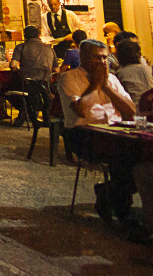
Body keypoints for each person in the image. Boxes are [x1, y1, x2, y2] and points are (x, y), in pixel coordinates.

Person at [57, 39, 142, 229]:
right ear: (83, 57)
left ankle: (108, 194)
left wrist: (107, 87)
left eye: (105, 57)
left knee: (143, 159)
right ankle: (123, 212)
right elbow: (80, 110)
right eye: (98, 57)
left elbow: (130, 111)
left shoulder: (111, 79)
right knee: (123, 159)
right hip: (84, 135)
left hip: (114, 133)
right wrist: (95, 86)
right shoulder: (70, 78)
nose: (103, 62)